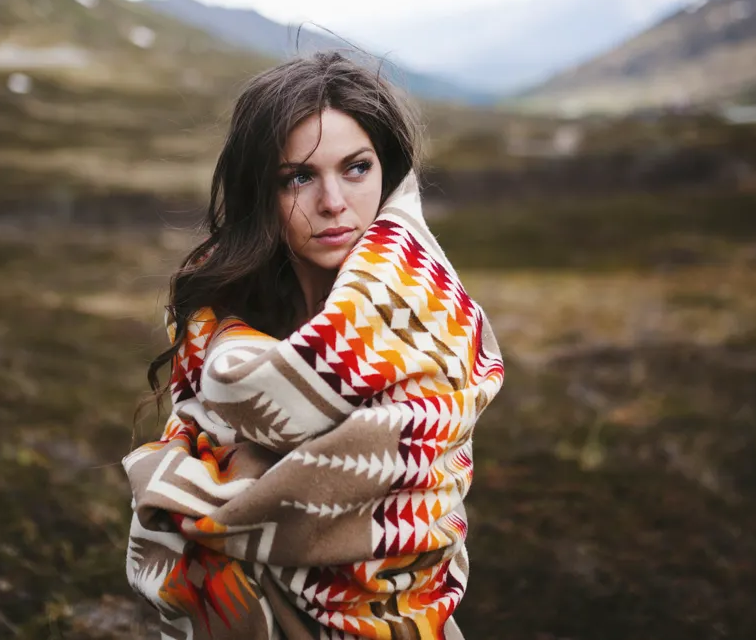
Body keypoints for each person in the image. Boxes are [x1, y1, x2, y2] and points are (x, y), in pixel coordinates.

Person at [124, 51, 504, 640]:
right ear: (263, 193)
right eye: (298, 177)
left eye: (356, 168)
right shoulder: (218, 327)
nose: (334, 203)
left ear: (388, 172)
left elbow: (421, 508)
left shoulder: (431, 321)